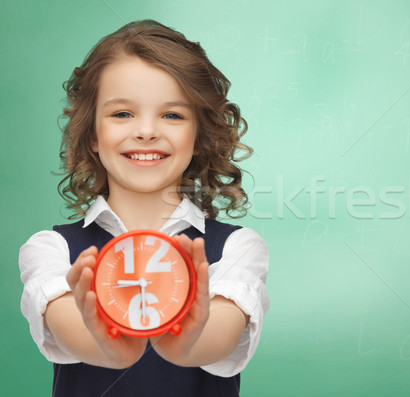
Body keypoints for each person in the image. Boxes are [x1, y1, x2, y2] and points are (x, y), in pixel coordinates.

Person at [18, 19, 269, 396]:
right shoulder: (51, 249)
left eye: (172, 115)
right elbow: (67, 322)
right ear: (92, 136)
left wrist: (186, 343)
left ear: (198, 137)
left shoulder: (237, 249)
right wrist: (107, 345)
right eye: (122, 114)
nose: (146, 130)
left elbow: (221, 332)